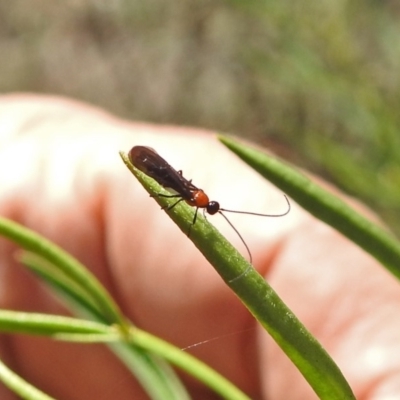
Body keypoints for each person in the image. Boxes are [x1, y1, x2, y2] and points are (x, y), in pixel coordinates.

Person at [0, 93, 399, 400]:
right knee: (174, 183)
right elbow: (179, 189)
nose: (206, 212)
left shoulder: (199, 201)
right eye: (207, 208)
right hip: (163, 175)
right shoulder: (193, 199)